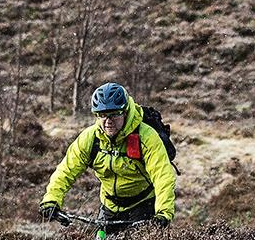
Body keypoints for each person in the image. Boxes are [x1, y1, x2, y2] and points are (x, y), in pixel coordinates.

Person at [40, 82, 175, 230]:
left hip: (143, 205)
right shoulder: (91, 138)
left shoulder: (146, 137)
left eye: (114, 115)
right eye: (102, 115)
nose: (108, 121)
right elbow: (66, 170)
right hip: (109, 206)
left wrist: (163, 213)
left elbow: (163, 176)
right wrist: (51, 199)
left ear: (125, 112)